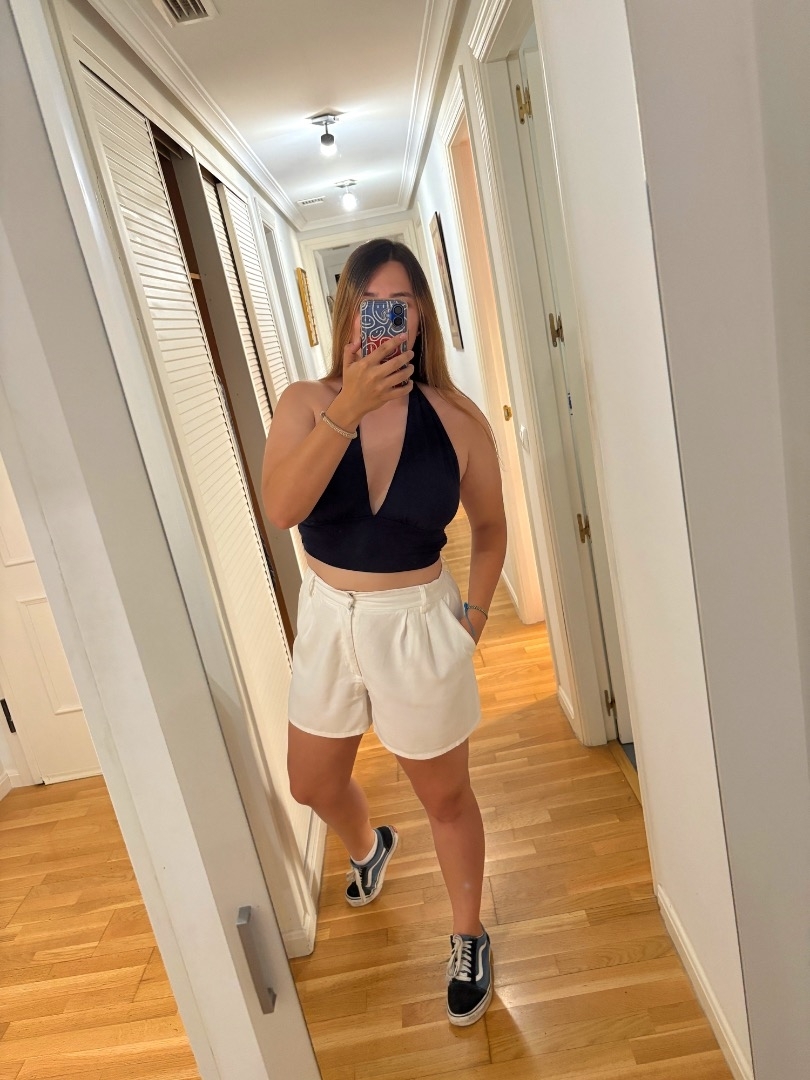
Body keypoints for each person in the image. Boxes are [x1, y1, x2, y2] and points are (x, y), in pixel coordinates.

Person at [262, 238, 506, 1026]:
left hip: (417, 624)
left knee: (445, 797)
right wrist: (348, 409)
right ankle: (369, 846)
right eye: (370, 307)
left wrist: (472, 619)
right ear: (347, 315)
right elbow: (282, 508)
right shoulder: (306, 404)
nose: (386, 321)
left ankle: (468, 934)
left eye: (399, 306)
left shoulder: (457, 420)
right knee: (311, 783)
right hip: (328, 621)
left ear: (421, 316)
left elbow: (491, 529)